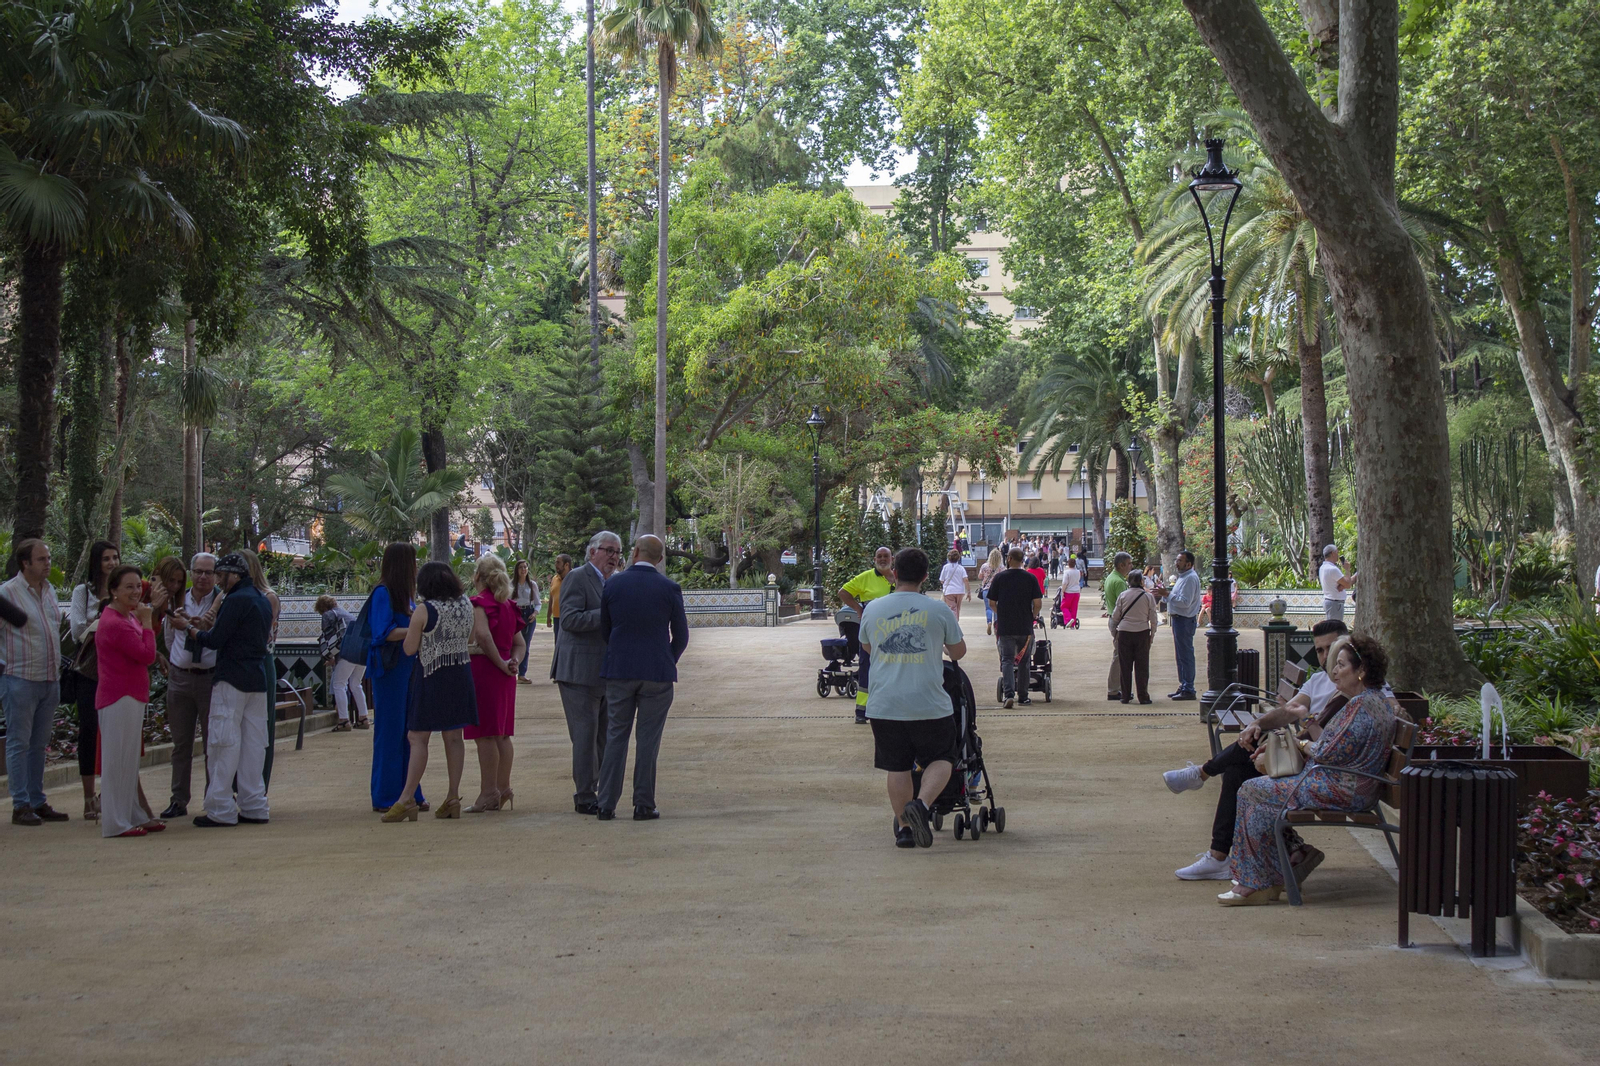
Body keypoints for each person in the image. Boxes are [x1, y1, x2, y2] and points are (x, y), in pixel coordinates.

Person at [1217, 633, 1398, 905]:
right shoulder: (1368, 702)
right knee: (1259, 796)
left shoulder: (1363, 706)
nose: (1334, 671)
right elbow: (1330, 747)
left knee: (1250, 790)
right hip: (1344, 783)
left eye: (1341, 665)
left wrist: (1300, 745)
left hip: (1343, 788)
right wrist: (1304, 733)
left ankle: (1255, 883)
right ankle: (1270, 878)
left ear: (1361, 670)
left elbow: (1325, 751)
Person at [1162, 619, 1350, 881]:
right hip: (1305, 755)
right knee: (1240, 766)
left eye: (1332, 650)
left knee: (1245, 774)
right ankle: (1219, 856)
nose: (1326, 657)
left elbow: (1331, 740)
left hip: (1319, 767)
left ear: (1347, 649)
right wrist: (1258, 724)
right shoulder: (1319, 680)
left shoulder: (1356, 690)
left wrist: (1304, 729)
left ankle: (1203, 775)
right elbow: (1289, 711)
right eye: (1319, 650)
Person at [859, 547, 967, 849]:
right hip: (929, 703)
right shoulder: (938, 610)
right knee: (943, 757)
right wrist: (940, 647)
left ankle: (904, 830)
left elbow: (868, 647)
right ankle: (921, 805)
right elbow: (958, 652)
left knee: (898, 765)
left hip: (883, 704)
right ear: (925, 576)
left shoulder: (874, 609)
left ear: (894, 573)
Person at [594, 535, 690, 821]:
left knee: (615, 736)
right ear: (660, 559)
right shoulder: (669, 588)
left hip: (620, 671)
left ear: (634, 552)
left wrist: (620, 653)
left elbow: (605, 629)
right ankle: (643, 804)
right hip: (657, 674)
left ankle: (606, 804)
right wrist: (666, 659)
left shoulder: (613, 584)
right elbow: (682, 636)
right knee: (648, 740)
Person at [178, 552, 273, 828]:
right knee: (254, 745)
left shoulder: (236, 600)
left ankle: (220, 808)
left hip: (231, 679)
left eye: (221, 575)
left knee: (223, 742)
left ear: (235, 575)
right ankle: (254, 804)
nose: (218, 580)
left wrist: (189, 629)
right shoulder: (261, 600)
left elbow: (215, 640)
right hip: (257, 680)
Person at [382, 562, 480, 822]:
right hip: (460, 673)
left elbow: (409, 649)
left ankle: (406, 799)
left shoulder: (425, 609)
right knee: (454, 736)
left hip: (431, 675)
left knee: (417, 737)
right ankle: (452, 796)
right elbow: (470, 639)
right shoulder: (465, 605)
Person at [93, 565, 164, 838]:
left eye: (138, 587)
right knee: (117, 762)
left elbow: (145, 646)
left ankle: (131, 813)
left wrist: (145, 619)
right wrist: (147, 621)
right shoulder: (115, 622)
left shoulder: (126, 617)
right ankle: (115, 821)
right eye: (129, 587)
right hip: (118, 696)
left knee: (128, 761)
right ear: (114, 591)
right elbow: (146, 654)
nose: (136, 592)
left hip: (130, 695)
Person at [2, 539, 68, 826]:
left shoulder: (49, 590)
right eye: (41, 559)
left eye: (49, 558)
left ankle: (37, 800)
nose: (47, 563)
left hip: (49, 678)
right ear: (25, 563)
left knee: (39, 744)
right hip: (20, 678)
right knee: (18, 742)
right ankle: (20, 804)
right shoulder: (7, 593)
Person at [555, 531, 621, 814]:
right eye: (609, 550)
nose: (614, 557)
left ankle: (601, 791)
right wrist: (606, 615)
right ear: (592, 551)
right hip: (578, 672)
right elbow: (568, 619)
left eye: (617, 552)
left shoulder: (613, 581)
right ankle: (584, 795)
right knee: (585, 736)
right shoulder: (578, 577)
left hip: (606, 672)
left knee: (604, 736)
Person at [158, 553, 224, 818]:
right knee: (181, 744)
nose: (203, 577)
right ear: (191, 572)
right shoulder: (177, 599)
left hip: (210, 677)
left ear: (216, 575)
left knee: (213, 743)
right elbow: (169, 637)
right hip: (180, 677)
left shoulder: (223, 602)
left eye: (209, 572)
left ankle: (214, 799)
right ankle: (178, 799)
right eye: (198, 571)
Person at [366, 543, 424, 813]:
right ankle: (386, 795)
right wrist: (413, 627)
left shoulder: (406, 596)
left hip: (408, 668)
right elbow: (382, 633)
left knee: (410, 732)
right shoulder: (383, 593)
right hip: (389, 672)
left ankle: (410, 792)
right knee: (390, 732)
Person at [465, 555, 524, 813]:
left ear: (477, 577)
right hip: (504, 675)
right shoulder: (508, 605)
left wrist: (501, 663)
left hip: (486, 671)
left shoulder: (480, 603)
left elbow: (482, 636)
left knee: (485, 735)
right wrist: (513, 662)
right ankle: (503, 787)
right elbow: (519, 643)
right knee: (501, 733)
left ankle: (488, 792)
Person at [68, 538, 120, 820]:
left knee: (114, 731)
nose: (112, 563)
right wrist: (103, 621)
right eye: (106, 559)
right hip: (89, 670)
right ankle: (89, 797)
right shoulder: (83, 592)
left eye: (115, 558)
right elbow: (77, 630)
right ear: (96, 563)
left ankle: (109, 794)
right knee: (89, 728)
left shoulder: (124, 590)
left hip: (117, 669)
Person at [238, 549, 282, 789]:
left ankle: (258, 783)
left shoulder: (267, 596)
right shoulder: (229, 596)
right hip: (238, 664)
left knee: (261, 726)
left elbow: (263, 635)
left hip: (260, 662)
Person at [838, 547, 896, 724]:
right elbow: (843, 593)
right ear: (874, 559)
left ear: (892, 558)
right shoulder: (866, 577)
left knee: (893, 670)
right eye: (879, 556)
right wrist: (858, 609)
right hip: (872, 632)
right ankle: (861, 711)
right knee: (867, 668)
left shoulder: (899, 578)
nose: (883, 559)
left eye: (886, 556)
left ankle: (889, 708)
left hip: (896, 632)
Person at [988, 547, 1043, 709]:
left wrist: (1001, 613)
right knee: (1025, 662)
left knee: (1007, 660)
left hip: (1006, 627)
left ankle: (1009, 694)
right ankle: (1024, 696)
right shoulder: (1030, 578)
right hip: (1025, 627)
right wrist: (1032, 616)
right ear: (1022, 560)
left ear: (1010, 558)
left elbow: (992, 603)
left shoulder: (999, 578)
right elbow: (1038, 604)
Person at [316, 594, 368, 732]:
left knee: (339, 684)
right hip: (362, 652)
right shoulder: (345, 613)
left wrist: (330, 656)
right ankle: (363, 718)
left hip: (347, 653)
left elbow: (331, 639)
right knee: (356, 684)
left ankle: (344, 720)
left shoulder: (328, 615)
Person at [1111, 571, 1159, 704]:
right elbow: (1153, 620)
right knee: (1142, 667)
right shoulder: (1148, 597)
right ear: (1141, 582)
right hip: (1142, 633)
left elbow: (1115, 617)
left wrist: (1115, 634)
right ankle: (1143, 696)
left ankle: (1125, 696)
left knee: (1125, 666)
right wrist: (1152, 636)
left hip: (1124, 633)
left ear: (1129, 582)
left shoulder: (1123, 596)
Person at [1166, 550, 1202, 701]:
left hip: (1184, 620)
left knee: (1185, 655)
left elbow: (1184, 602)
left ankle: (1189, 688)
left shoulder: (1190, 579)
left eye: (1180, 560)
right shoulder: (1183, 577)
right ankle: (1184, 685)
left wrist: (1166, 595)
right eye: (1177, 559)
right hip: (1179, 619)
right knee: (1180, 655)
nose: (1176, 562)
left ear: (1188, 564)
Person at [1102, 552, 1133, 701]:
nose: (1131, 566)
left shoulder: (1112, 578)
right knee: (1119, 656)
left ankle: (1117, 688)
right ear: (1121, 565)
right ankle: (1114, 689)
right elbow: (1125, 605)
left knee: (1119, 655)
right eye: (1129, 564)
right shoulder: (1119, 582)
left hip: (1114, 618)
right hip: (1120, 621)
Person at [512, 559, 540, 686]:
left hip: (528, 613)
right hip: (516, 612)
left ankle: (522, 674)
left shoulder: (532, 584)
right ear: (517, 570)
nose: (524, 570)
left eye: (525, 567)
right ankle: (512, 669)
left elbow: (538, 603)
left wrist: (534, 613)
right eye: (521, 567)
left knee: (525, 644)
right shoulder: (512, 585)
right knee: (513, 643)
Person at [547, 553, 572, 681]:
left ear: (566, 565)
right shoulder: (555, 579)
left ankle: (567, 674)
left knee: (568, 646)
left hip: (570, 617)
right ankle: (558, 674)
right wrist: (548, 616)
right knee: (558, 645)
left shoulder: (574, 578)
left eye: (558, 562)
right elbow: (552, 597)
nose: (555, 565)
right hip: (557, 618)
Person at [1319, 544, 1355, 621]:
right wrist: (1347, 570)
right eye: (1337, 552)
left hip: (1330, 602)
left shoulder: (1323, 567)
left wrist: (1342, 585)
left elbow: (1341, 582)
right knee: (1335, 629)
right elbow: (1348, 584)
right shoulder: (1333, 569)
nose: (1338, 555)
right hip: (1335, 603)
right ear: (1332, 553)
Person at [977, 548, 1001, 636]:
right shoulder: (1001, 567)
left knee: (988, 608)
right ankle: (996, 626)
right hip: (998, 591)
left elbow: (980, 576)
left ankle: (989, 622)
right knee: (997, 609)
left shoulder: (984, 566)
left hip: (986, 589)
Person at [939, 549, 968, 620]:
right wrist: (969, 591)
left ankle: (954, 622)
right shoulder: (961, 568)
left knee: (952, 607)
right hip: (960, 591)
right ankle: (956, 621)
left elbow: (941, 580)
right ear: (958, 558)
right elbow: (965, 580)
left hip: (949, 591)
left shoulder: (945, 567)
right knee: (957, 608)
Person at [1058, 555, 1083, 627]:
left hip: (1069, 592)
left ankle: (1069, 619)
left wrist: (1062, 591)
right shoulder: (1078, 572)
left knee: (1064, 606)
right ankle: (1073, 623)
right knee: (1074, 608)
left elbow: (1065, 583)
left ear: (1068, 564)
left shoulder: (1067, 572)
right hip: (1077, 592)